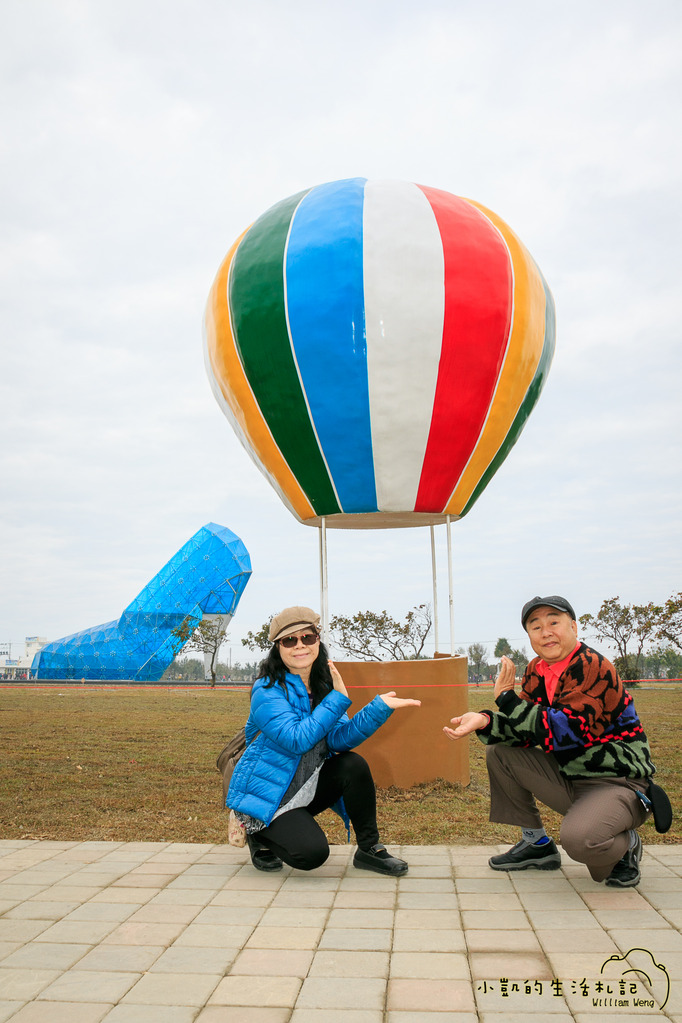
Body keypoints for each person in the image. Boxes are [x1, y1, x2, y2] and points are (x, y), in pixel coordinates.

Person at [444, 595, 655, 888]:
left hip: (616, 781)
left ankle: (625, 845)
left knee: (580, 840)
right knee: (500, 752)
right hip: (571, 774)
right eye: (535, 626)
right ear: (529, 635)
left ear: (574, 626)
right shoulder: (537, 670)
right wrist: (486, 720)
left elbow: (567, 732)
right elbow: (526, 727)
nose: (546, 632)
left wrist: (506, 698)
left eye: (554, 622)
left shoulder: (592, 665)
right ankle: (536, 844)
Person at [227, 605, 421, 875]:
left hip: (305, 785)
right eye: (289, 640)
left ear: (317, 640)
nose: (299, 646)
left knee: (353, 764)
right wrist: (336, 700)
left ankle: (369, 849)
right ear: (277, 647)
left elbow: (338, 741)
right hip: (270, 796)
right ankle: (259, 832)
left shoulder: (323, 685)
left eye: (307, 637)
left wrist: (378, 709)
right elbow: (296, 740)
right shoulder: (267, 689)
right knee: (312, 855)